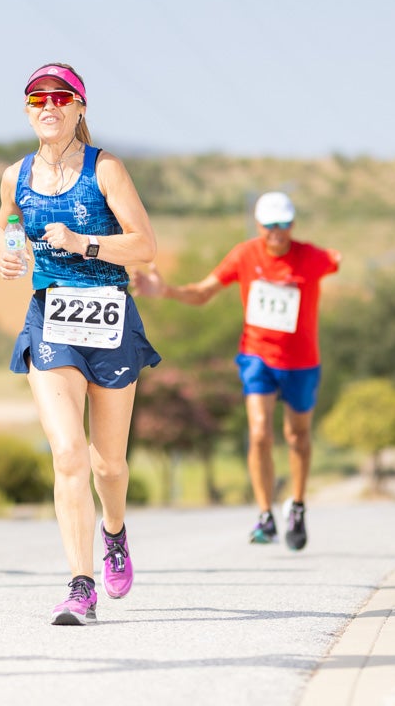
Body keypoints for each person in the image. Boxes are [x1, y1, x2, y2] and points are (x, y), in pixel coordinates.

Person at [0, 63, 160, 626]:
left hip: (109, 320)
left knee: (107, 463)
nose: (49, 105)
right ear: (27, 110)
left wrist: (85, 243)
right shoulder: (14, 174)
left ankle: (114, 534)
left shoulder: (106, 168)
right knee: (67, 453)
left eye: (61, 96)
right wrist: (10, 249)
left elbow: (144, 248)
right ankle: (79, 585)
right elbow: (8, 223)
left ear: (79, 107)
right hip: (50, 318)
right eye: (37, 98)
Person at [132, 191, 340, 551]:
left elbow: (335, 259)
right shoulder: (245, 255)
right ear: (259, 225)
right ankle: (264, 514)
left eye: (284, 223)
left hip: (302, 361)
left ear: (293, 224)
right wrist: (165, 290)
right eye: (270, 224)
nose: (277, 231)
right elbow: (203, 292)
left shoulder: (310, 257)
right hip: (257, 356)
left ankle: (298, 506)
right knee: (259, 432)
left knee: (297, 436)